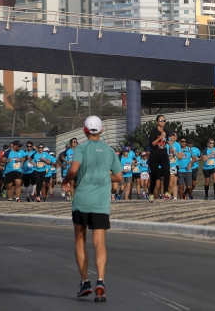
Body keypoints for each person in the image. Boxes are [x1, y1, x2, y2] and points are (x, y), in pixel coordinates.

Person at [62, 116, 123, 301]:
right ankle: (101, 281)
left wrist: (66, 179)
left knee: (80, 239)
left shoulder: (80, 148)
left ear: (84, 131)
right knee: (99, 243)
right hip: (101, 203)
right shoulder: (109, 151)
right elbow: (119, 177)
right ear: (102, 131)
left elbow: (73, 169)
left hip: (82, 200)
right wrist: (104, 177)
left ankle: (85, 281)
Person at [148, 115, 171, 201]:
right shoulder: (153, 132)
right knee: (154, 174)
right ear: (157, 122)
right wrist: (160, 137)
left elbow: (167, 141)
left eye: (164, 120)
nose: (163, 122)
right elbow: (152, 144)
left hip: (163, 154)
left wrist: (171, 144)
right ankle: (151, 193)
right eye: (161, 120)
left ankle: (165, 192)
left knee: (167, 171)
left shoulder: (166, 131)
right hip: (154, 154)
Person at [166, 133, 182, 199]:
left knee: (174, 182)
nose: (172, 137)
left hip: (174, 165)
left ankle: (174, 197)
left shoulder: (177, 145)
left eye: (174, 136)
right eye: (171, 135)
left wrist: (174, 150)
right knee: (170, 183)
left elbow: (180, 157)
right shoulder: (166, 144)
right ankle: (167, 196)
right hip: (167, 165)